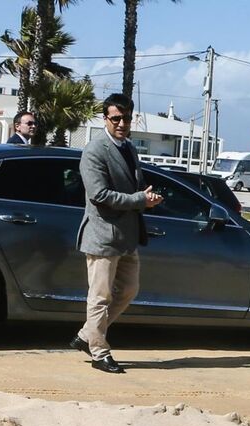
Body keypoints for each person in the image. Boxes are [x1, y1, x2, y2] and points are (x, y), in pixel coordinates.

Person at [71, 93, 163, 374]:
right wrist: (138, 200)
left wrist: (148, 196)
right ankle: (99, 352)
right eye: (116, 119)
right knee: (99, 297)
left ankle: (88, 335)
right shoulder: (95, 150)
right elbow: (99, 194)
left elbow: (134, 184)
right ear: (105, 119)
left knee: (129, 290)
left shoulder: (129, 148)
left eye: (126, 118)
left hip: (127, 234)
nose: (122, 123)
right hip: (102, 234)